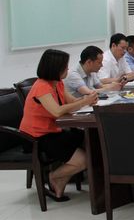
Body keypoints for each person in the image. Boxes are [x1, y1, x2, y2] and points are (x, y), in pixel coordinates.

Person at [19, 49, 98, 200]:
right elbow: (56, 111)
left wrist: (88, 99)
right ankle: (54, 176)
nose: (68, 68)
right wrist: (84, 101)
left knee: (89, 140)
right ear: (55, 68)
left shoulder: (58, 83)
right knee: (84, 160)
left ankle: (61, 180)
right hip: (36, 138)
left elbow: (72, 103)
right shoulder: (42, 86)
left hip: (54, 131)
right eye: (65, 66)